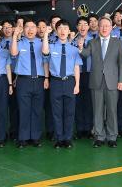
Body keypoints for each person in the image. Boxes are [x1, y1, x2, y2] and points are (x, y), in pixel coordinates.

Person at [78, 16, 122, 148]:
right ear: (98, 27)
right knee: (97, 110)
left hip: (112, 81)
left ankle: (112, 137)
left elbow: (121, 63)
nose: (104, 28)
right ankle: (99, 136)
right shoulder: (92, 42)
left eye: (107, 26)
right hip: (96, 81)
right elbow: (85, 54)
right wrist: (81, 48)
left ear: (111, 28)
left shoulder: (117, 42)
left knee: (112, 110)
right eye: (102, 26)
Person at [42, 19, 82, 149]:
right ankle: (59, 138)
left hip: (70, 81)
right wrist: (46, 35)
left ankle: (68, 138)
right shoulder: (52, 45)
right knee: (56, 112)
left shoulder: (74, 48)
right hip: (56, 82)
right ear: (56, 31)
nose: (62, 31)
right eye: (59, 28)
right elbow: (45, 53)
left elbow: (77, 67)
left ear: (69, 31)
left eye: (65, 28)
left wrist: (77, 84)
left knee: (70, 112)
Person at [10, 19, 49, 148]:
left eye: (33, 27)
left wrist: (46, 78)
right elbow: (13, 53)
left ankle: (35, 137)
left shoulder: (42, 42)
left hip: (39, 79)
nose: (30, 30)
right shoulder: (19, 43)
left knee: (37, 110)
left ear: (37, 29)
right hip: (23, 80)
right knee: (24, 110)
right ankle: (23, 137)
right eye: (27, 27)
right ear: (23, 29)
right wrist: (15, 35)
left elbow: (45, 57)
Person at [72, 17, 94, 139]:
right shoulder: (72, 41)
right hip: (77, 75)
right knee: (78, 102)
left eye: (85, 24)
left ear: (89, 26)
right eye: (80, 24)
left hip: (91, 74)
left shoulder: (94, 41)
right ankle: (80, 129)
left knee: (89, 103)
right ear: (76, 27)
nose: (83, 27)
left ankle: (89, 128)